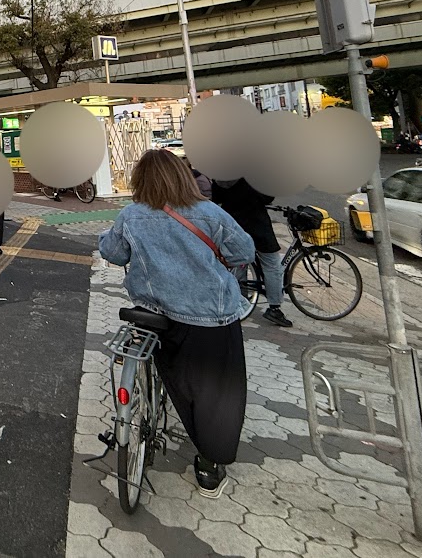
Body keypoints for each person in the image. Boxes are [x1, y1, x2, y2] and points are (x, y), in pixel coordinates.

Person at [98, 149, 255, 498]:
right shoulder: (210, 213)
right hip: (209, 318)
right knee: (218, 395)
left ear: (140, 181)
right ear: (183, 177)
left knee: (175, 377)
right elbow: (243, 252)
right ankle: (210, 466)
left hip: (154, 316)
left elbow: (114, 254)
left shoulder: (132, 215)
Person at [211, 177, 292, 327]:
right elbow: (267, 197)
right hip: (257, 225)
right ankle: (274, 308)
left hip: (233, 224)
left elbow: (215, 197)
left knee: (239, 262)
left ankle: (242, 300)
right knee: (272, 265)